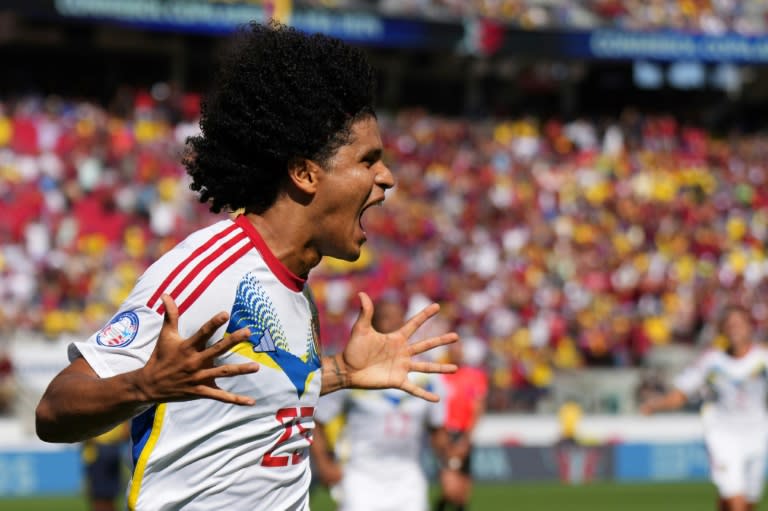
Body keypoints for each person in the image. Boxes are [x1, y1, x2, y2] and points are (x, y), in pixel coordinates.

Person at [35, 22, 458, 511]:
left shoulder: (296, 287)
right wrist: (144, 385)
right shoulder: (208, 274)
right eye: (368, 160)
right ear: (304, 173)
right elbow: (54, 409)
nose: (386, 178)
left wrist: (339, 373)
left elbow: (255, 397)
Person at [311, 293, 449, 511]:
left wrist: (451, 468)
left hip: (409, 481)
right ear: (372, 324)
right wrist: (323, 463)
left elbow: (438, 432)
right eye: (384, 317)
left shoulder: (428, 377)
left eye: (395, 317)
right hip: (360, 478)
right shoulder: (354, 370)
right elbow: (316, 420)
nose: (390, 323)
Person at [641, 305, 768, 511]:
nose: (735, 329)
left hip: (757, 433)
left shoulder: (762, 359)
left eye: (739, 324)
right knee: (736, 499)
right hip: (723, 433)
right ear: (723, 330)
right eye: (730, 325)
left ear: (749, 327)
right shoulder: (712, 362)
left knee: (748, 501)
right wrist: (656, 405)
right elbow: (680, 394)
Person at [435, 337, 488, 511]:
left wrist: (467, 439)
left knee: (463, 493)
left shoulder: (475, 377)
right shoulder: (440, 377)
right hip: (446, 434)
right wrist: (442, 439)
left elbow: (477, 409)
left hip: (464, 435)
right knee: (450, 490)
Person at [82, 422, 130, 511]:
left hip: (99, 451)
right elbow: (126, 432)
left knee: (101, 498)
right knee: (105, 497)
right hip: (109, 449)